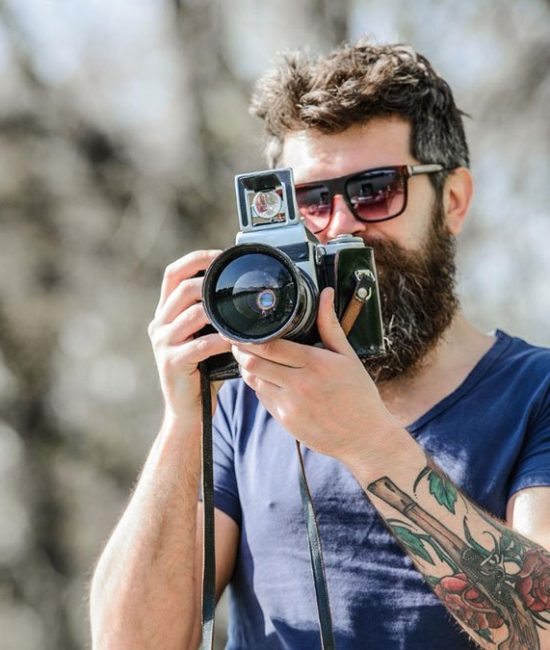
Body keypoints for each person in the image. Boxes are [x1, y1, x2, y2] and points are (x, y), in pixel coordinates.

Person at [90, 41, 550, 649]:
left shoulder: (535, 392)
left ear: (453, 201)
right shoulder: (247, 397)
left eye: (375, 190)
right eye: (311, 201)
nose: (341, 225)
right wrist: (183, 420)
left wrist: (368, 442)